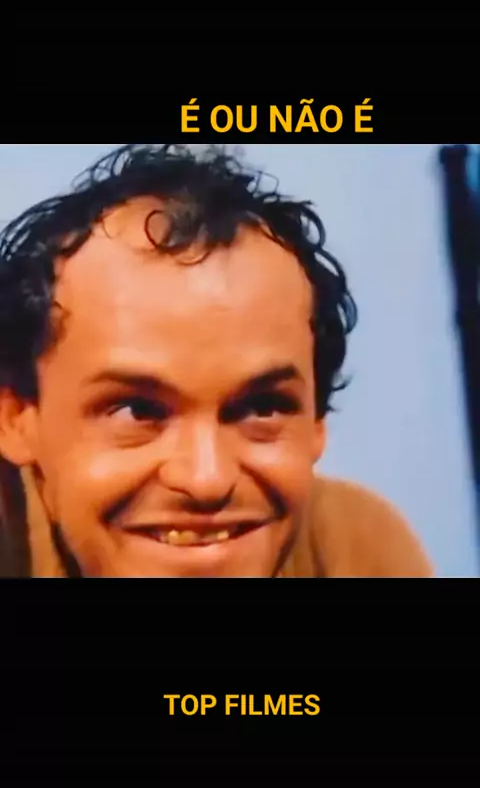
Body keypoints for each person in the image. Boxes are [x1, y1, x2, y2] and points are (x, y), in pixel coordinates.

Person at [0, 144, 432, 578]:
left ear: (317, 423)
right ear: (15, 417)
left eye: (262, 408)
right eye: (136, 411)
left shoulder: (354, 549)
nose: (207, 479)